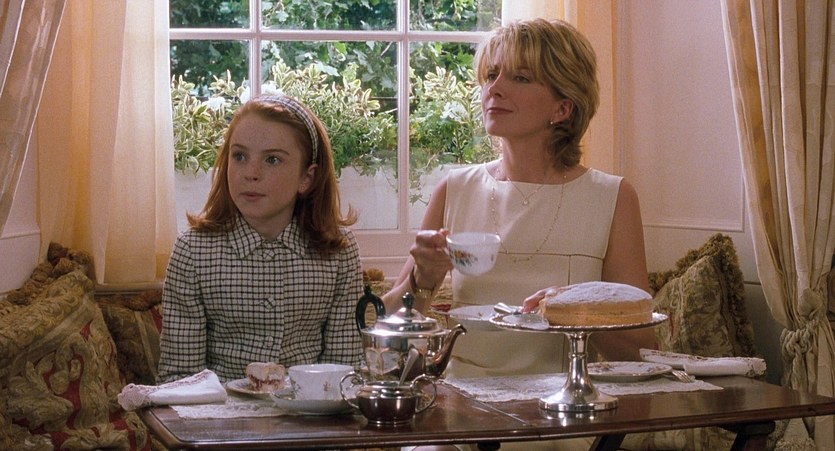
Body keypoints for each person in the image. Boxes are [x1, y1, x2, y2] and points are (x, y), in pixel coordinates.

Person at [382, 17, 657, 380]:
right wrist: (422, 278)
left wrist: (575, 310)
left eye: (521, 78)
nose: (494, 89)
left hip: (566, 400)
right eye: (491, 75)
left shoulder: (612, 197)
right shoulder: (454, 188)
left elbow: (640, 352)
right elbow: (388, 332)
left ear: (563, 108)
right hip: (463, 397)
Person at [158, 94, 363, 383]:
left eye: (272, 160)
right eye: (240, 156)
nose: (251, 173)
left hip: (309, 409)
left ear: (306, 177)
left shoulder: (338, 252)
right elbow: (179, 378)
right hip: (219, 409)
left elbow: (345, 371)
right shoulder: (193, 251)